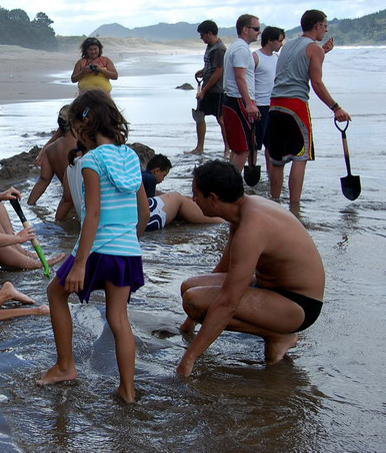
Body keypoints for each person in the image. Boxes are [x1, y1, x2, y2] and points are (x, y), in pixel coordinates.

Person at [38, 90, 149, 404]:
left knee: (55, 293)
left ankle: (65, 366)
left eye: (74, 129)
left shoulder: (91, 160)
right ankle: (127, 391)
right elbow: (144, 210)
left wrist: (81, 262)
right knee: (119, 318)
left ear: (84, 124)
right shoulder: (129, 155)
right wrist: (132, 242)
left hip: (98, 247)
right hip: (127, 250)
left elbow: (94, 214)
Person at [177, 160, 327, 376]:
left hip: (299, 304)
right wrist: (188, 324)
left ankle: (279, 335)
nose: (193, 199)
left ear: (213, 198)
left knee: (195, 301)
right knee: (189, 288)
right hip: (270, 287)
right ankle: (276, 331)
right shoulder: (241, 211)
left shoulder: (251, 228)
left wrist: (189, 359)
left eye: (195, 194)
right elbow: (223, 269)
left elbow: (228, 303)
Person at [266, 10, 351, 207]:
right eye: (325, 26)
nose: (326, 30)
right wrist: (335, 108)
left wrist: (322, 52)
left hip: (275, 105)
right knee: (300, 157)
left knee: (277, 159)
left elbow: (299, 64)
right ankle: (295, 207)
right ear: (317, 26)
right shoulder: (314, 49)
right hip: (295, 106)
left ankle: (274, 204)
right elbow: (317, 83)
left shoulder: (288, 46)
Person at [142, 154, 224, 231]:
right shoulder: (150, 179)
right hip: (140, 218)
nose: (163, 180)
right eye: (164, 176)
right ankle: (221, 221)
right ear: (157, 171)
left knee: (175, 197)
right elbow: (148, 201)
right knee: (178, 199)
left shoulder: (143, 175)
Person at [222, 14, 261, 172]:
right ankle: (232, 187)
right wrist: (249, 103)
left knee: (238, 147)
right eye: (256, 28)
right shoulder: (241, 49)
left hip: (232, 99)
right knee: (243, 148)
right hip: (237, 100)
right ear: (245, 29)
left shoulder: (237, 47)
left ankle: (230, 182)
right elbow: (240, 77)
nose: (259, 32)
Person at [28, 111, 79, 221]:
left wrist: (30, 204)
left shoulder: (50, 149)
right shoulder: (81, 146)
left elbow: (43, 180)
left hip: (66, 204)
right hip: (82, 203)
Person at [190, 20, 229, 156]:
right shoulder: (210, 47)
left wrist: (203, 91)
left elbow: (218, 72)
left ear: (210, 33)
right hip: (208, 87)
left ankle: (227, 149)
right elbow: (211, 67)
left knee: (221, 119)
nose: (201, 38)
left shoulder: (219, 49)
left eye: (202, 35)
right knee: (199, 116)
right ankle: (199, 147)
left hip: (217, 90)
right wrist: (203, 71)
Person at [252, 26, 286, 175]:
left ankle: (270, 173)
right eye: (279, 41)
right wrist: (251, 103)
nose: (281, 44)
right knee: (255, 143)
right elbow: (248, 82)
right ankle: (252, 169)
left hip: (274, 105)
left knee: (271, 144)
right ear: (270, 41)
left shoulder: (276, 58)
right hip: (259, 105)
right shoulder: (255, 57)